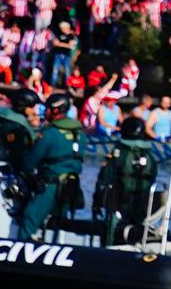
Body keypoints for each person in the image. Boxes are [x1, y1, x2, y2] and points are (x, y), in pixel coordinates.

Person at [17, 93, 84, 239]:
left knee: (30, 218)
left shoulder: (49, 134)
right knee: (57, 224)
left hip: (50, 186)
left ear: (55, 110)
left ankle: (22, 250)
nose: (44, 111)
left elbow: (29, 163)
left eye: (47, 108)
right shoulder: (79, 133)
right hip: (71, 186)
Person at [92, 116, 160, 245]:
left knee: (110, 232)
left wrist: (97, 201)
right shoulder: (150, 157)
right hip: (142, 207)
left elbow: (104, 178)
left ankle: (108, 250)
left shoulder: (118, 154)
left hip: (117, 204)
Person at [0, 90, 44, 176]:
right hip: (1, 165)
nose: (35, 111)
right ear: (23, 106)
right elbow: (16, 151)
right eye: (32, 107)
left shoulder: (16, 121)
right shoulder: (12, 125)